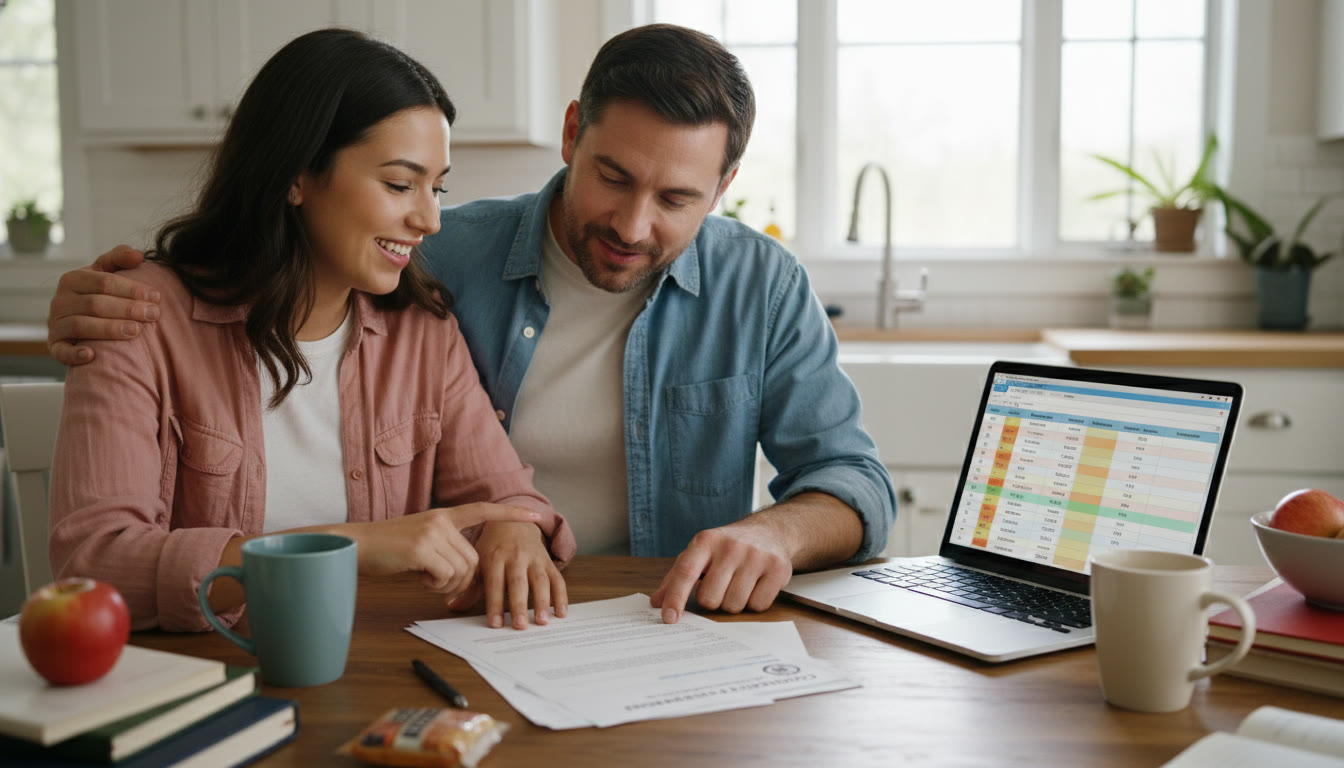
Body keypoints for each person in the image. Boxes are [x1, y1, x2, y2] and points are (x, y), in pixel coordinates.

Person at [45, 24, 895, 624]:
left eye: (676, 198)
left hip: (633, 632)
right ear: (572, 133)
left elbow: (854, 481)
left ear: (723, 187)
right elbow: (93, 563)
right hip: (259, 653)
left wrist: (768, 534)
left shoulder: (759, 286)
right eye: (613, 177)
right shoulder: (430, 270)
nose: (634, 225)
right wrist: (100, 306)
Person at [46, 28, 575, 633]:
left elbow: (507, 497)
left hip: (363, 664)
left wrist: (513, 528)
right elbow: (94, 565)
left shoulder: (422, 336)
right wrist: (349, 548)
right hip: (196, 670)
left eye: (438, 187)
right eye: (400, 185)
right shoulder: (132, 316)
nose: (430, 218)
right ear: (295, 175)